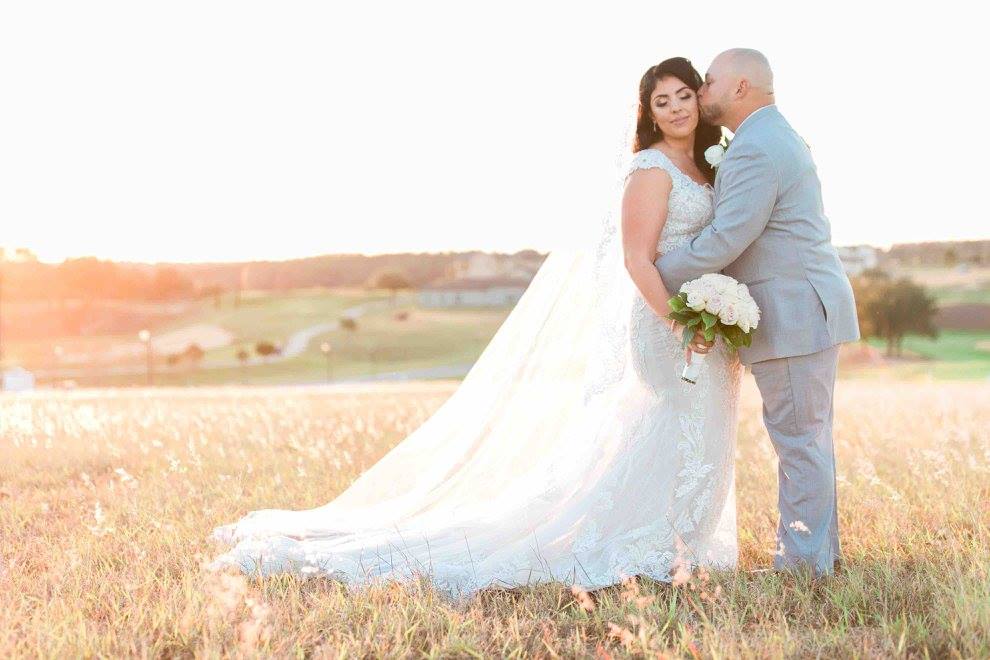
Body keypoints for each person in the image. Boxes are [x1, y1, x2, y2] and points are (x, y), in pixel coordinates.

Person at [207, 57, 745, 606]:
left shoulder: (709, 164)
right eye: (662, 101)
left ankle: (678, 541)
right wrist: (678, 321)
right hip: (666, 324)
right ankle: (653, 544)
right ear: (649, 114)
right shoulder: (651, 170)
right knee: (680, 427)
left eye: (683, 95)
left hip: (705, 321)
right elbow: (636, 260)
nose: (676, 108)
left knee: (695, 434)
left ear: (699, 99)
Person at [654, 48, 860, 578]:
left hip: (793, 312)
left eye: (710, 82)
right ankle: (816, 558)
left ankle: (803, 567)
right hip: (805, 306)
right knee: (808, 439)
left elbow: (728, 236)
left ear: (741, 87)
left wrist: (656, 271)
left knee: (799, 441)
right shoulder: (771, 135)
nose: (701, 92)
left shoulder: (755, 147)